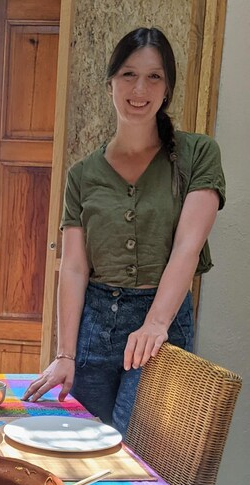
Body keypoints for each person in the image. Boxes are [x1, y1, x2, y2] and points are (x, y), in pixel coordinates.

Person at [23, 27, 225, 436]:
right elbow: (76, 267)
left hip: (161, 325)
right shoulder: (81, 175)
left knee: (139, 451)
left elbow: (188, 247)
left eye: (154, 77)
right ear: (111, 80)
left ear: (167, 88)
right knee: (82, 443)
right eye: (129, 74)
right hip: (95, 325)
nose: (140, 88)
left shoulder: (198, 153)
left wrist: (154, 324)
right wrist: (65, 354)